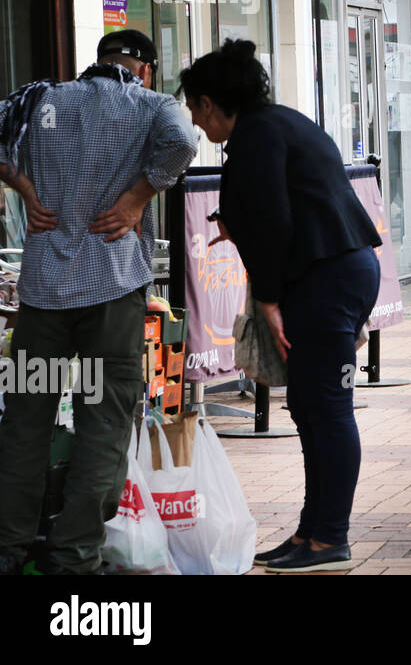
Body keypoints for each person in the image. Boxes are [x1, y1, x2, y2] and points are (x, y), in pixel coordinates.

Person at [180, 40, 382, 573]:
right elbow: (277, 206)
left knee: (328, 408)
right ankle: (310, 532)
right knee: (308, 408)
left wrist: (267, 300)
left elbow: (275, 222)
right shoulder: (274, 125)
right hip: (330, 273)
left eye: (194, 111)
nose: (197, 124)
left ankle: (330, 539)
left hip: (329, 279)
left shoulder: (258, 135)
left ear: (208, 102)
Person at [0, 29, 197, 575]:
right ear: (146, 69)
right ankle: (73, 559)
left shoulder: (41, 99)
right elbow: (183, 141)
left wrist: (23, 188)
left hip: (42, 297)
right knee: (102, 426)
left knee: (25, 423)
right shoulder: (151, 104)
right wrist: (138, 196)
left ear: (98, 62)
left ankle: (7, 551)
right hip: (110, 296)